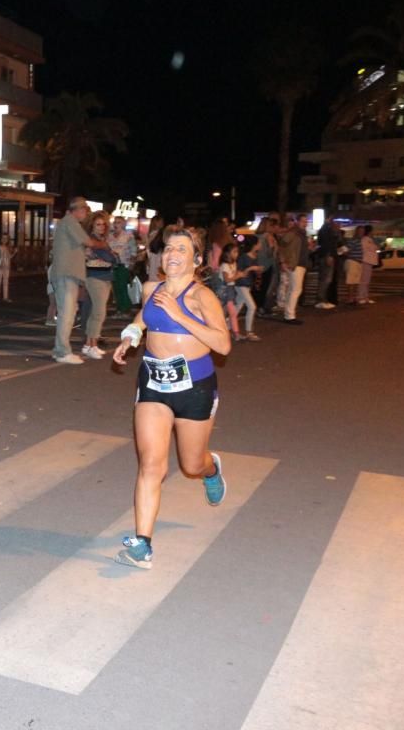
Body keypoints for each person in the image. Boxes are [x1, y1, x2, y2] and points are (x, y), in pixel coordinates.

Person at [111, 227, 232, 569]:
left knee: (191, 464)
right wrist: (130, 336)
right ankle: (142, 544)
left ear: (196, 258)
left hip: (195, 385)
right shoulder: (152, 288)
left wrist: (180, 315)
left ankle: (211, 470)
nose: (172, 254)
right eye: (167, 249)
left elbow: (223, 345)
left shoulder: (202, 297)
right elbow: (143, 319)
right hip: (152, 382)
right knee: (151, 464)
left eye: (181, 249)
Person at [50, 197, 109, 364]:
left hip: (68, 275)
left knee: (68, 313)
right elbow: (88, 242)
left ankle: (59, 350)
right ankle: (62, 352)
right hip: (66, 275)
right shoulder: (70, 222)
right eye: (85, 210)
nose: (86, 213)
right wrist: (103, 245)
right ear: (78, 209)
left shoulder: (68, 223)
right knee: (67, 314)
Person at [81, 211, 118, 359]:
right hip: (95, 277)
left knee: (95, 312)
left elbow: (112, 257)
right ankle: (92, 345)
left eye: (103, 224)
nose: (101, 227)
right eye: (98, 224)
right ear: (92, 226)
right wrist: (111, 255)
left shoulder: (101, 240)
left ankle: (89, 344)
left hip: (104, 276)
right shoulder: (93, 240)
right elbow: (110, 257)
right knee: (99, 312)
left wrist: (112, 256)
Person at [276, 213, 309, 325]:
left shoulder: (301, 233)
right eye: (303, 221)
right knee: (295, 289)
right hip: (295, 264)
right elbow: (281, 246)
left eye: (306, 221)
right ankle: (290, 315)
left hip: (299, 264)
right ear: (298, 222)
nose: (305, 223)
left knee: (293, 289)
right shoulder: (294, 233)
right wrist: (283, 261)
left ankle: (289, 313)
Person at [229, 237, 262, 341]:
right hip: (241, 284)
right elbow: (239, 272)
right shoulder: (243, 257)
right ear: (254, 245)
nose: (260, 245)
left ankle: (226, 328)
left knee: (237, 307)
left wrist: (257, 270)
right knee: (252, 307)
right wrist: (251, 268)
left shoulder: (254, 256)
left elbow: (253, 272)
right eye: (259, 243)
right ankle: (249, 332)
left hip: (247, 284)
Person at [109, 215, 138, 315]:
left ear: (124, 224)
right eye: (115, 222)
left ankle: (124, 308)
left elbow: (134, 251)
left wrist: (132, 264)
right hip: (112, 265)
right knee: (115, 287)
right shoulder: (110, 236)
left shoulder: (128, 236)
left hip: (123, 264)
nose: (116, 224)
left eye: (119, 222)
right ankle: (119, 307)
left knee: (122, 286)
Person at [314, 217, 341, 310]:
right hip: (327, 256)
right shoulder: (326, 229)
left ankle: (322, 299)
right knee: (325, 279)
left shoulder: (326, 229)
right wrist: (329, 255)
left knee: (325, 279)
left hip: (326, 255)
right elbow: (327, 243)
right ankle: (321, 300)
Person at [0, 233, 14, 302]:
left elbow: (9, 257)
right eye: (3, 238)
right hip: (0, 266)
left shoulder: (7, 248)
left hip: (7, 266)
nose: (4, 240)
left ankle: (5, 297)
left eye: (6, 238)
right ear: (1, 239)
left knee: (6, 282)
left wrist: (14, 253)